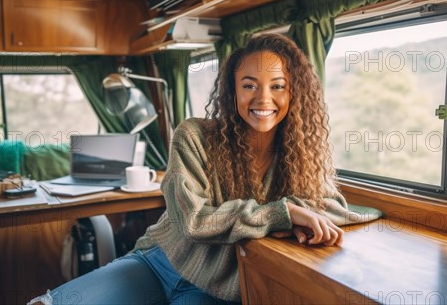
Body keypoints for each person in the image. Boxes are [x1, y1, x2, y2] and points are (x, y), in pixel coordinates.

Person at [28, 33, 381, 305]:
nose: (263, 99)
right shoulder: (193, 135)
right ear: (232, 90)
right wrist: (281, 213)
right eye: (249, 86)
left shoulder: (302, 154)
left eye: (277, 87)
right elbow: (193, 221)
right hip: (158, 261)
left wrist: (292, 215)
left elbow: (335, 206)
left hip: (215, 289)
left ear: (295, 94)